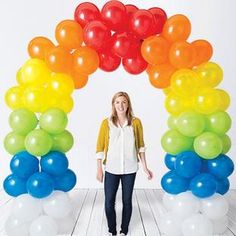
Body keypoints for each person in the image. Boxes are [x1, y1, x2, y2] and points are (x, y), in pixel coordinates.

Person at [95, 91, 153, 236]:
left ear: (128, 104)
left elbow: (140, 145)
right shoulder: (106, 123)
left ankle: (124, 231)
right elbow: (100, 147)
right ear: (113, 105)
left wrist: (145, 167)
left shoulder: (135, 122)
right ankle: (112, 231)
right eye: (117, 102)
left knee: (127, 201)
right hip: (111, 169)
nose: (121, 105)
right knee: (109, 202)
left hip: (130, 169)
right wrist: (99, 169)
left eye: (124, 102)